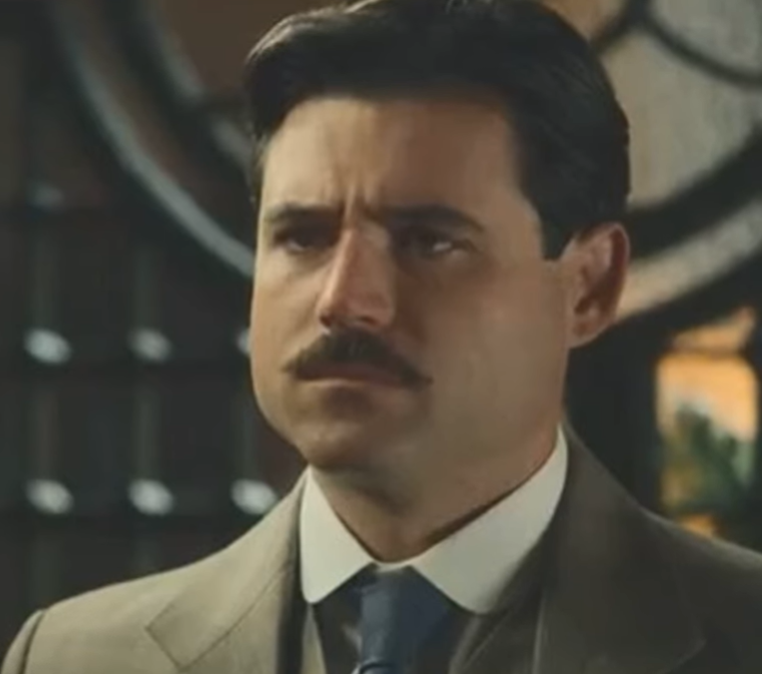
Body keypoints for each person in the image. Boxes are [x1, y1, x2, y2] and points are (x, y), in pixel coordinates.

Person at [5, 0, 762, 672]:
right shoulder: (76, 659)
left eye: (428, 241)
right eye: (303, 237)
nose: (344, 301)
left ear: (588, 286)